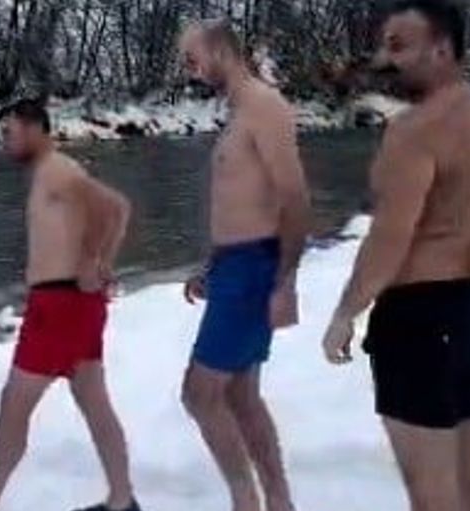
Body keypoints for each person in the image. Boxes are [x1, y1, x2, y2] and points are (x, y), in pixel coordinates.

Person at [321, 2, 470, 511]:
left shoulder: (415, 130)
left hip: (419, 320)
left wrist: (346, 312)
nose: (385, 59)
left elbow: (391, 234)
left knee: (433, 490)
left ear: (441, 49)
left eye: (398, 46)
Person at [0, 99, 139, 511]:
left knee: (14, 406)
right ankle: (122, 501)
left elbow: (116, 208)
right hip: (72, 304)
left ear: (33, 128)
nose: (4, 141)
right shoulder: (51, 173)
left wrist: (95, 261)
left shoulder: (57, 170)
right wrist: (95, 263)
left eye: (8, 132)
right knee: (94, 403)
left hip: (61, 306)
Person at [178, 20, 311, 511]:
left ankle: (247, 501)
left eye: (193, 58)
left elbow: (294, 199)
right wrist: (213, 266)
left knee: (199, 394)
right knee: (239, 395)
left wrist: (285, 282)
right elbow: (241, 201)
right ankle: (278, 502)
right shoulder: (239, 112)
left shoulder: (264, 107)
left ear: (220, 51)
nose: (189, 69)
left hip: (254, 268)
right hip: (235, 265)